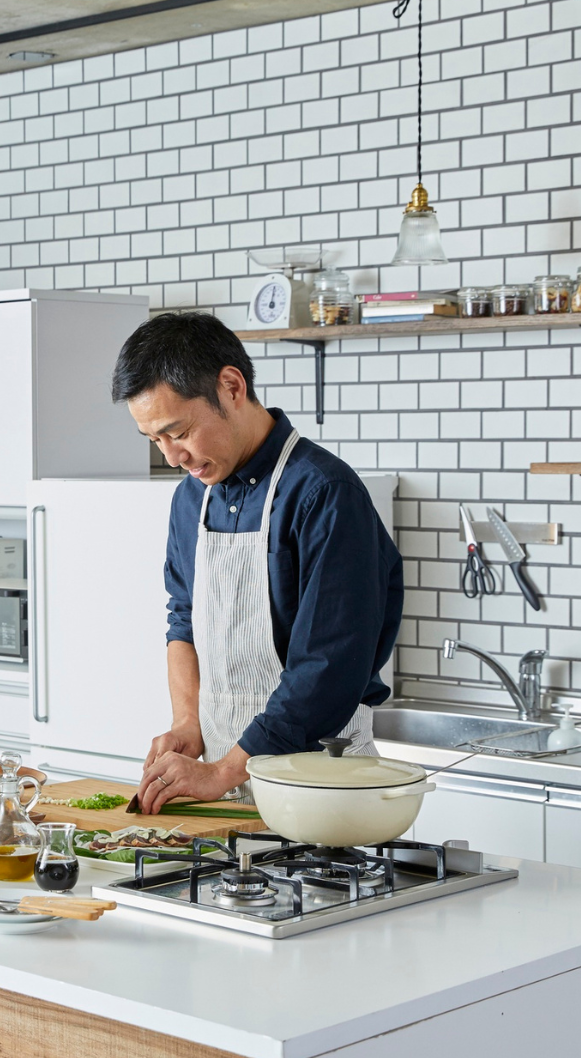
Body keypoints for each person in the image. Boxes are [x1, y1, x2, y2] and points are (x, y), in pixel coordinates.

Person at [113, 313, 404, 813]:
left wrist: (225, 770)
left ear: (231, 386)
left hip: (321, 788)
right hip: (224, 786)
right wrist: (189, 724)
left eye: (177, 431)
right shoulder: (191, 499)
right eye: (154, 440)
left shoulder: (324, 494)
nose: (171, 457)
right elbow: (183, 620)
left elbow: (328, 669)